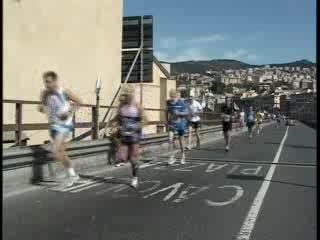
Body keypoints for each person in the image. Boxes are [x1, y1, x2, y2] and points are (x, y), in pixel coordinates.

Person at [38, 71, 83, 187]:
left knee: (54, 151)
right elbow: (41, 106)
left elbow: (79, 102)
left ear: (55, 81)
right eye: (45, 82)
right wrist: (42, 108)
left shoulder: (64, 92)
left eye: (48, 82)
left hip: (64, 125)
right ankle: (72, 174)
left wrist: (69, 112)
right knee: (61, 153)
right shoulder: (45, 93)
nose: (46, 85)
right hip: (53, 125)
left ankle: (68, 175)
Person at [110, 85, 147, 188]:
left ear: (132, 95)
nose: (127, 98)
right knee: (123, 156)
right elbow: (118, 117)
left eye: (128, 95)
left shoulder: (138, 106)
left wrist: (135, 126)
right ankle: (123, 159)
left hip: (135, 134)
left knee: (133, 158)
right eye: (125, 95)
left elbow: (145, 120)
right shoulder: (121, 106)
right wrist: (113, 123)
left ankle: (135, 178)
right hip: (124, 134)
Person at [167, 89, 189, 165]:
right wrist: (167, 120)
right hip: (172, 123)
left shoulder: (181, 103)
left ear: (176, 96)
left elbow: (187, 112)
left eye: (174, 96)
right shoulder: (169, 103)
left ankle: (183, 155)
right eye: (171, 96)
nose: (173, 98)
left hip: (180, 123)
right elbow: (167, 111)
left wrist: (179, 113)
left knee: (181, 140)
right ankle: (172, 156)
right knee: (170, 139)